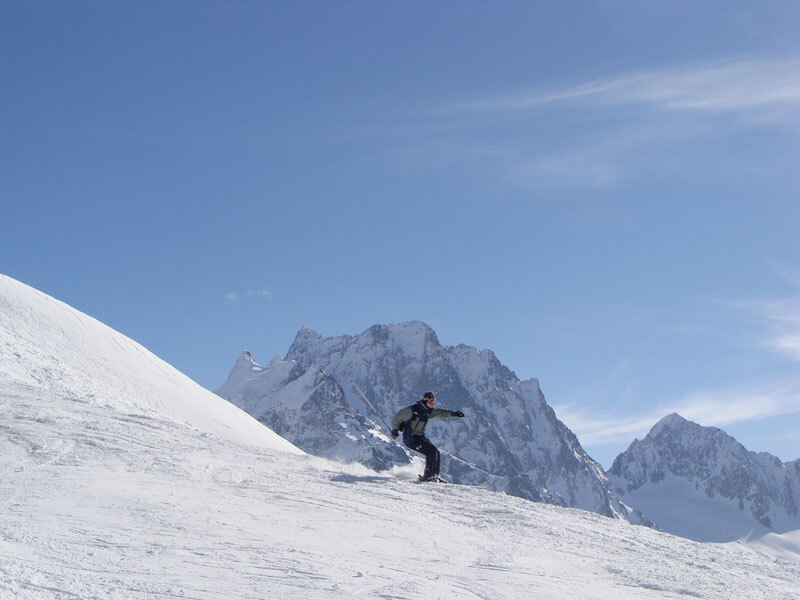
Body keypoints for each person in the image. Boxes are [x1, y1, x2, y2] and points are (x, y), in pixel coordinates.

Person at [390, 391, 465, 482]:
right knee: (432, 451)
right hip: (411, 439)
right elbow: (397, 418)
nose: (432, 404)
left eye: (433, 402)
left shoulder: (428, 412)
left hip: (420, 437)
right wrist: (395, 430)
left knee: (435, 452)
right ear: (425, 401)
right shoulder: (413, 410)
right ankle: (429, 476)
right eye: (430, 402)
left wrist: (454, 414)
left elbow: (440, 413)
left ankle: (434, 476)